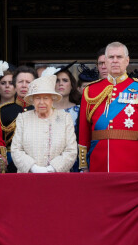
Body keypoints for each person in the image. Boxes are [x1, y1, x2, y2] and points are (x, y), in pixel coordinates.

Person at [78, 42, 138, 172]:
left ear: (127, 61)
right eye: (111, 57)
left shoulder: (136, 88)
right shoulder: (91, 90)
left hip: (132, 162)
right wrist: (83, 165)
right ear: (105, 61)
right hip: (99, 162)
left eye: (119, 57)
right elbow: (84, 130)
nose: (115, 61)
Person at [11, 73, 77, 173]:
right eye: (37, 98)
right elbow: (16, 149)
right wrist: (34, 168)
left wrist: (51, 169)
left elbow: (71, 151)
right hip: (29, 177)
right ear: (32, 100)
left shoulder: (65, 118)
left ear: (52, 99)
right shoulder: (23, 118)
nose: (41, 102)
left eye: (46, 98)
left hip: (58, 178)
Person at [0, 65, 37, 172]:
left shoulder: (41, 110)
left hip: (37, 162)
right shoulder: (3, 111)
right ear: (15, 86)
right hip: (11, 164)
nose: (24, 85)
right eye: (20, 82)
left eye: (28, 82)